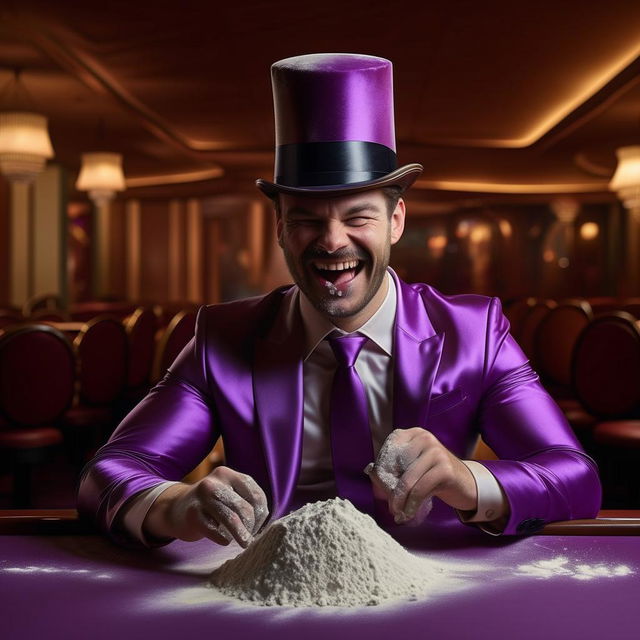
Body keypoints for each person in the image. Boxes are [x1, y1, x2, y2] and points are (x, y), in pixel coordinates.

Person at [78, 53, 601, 548]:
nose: (332, 241)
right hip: (267, 596)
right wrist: (175, 505)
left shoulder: (474, 331)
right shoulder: (224, 338)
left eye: (358, 217)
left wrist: (469, 480)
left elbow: (575, 476)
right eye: (306, 219)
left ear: (395, 222)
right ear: (281, 229)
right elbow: (108, 474)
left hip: (437, 586)